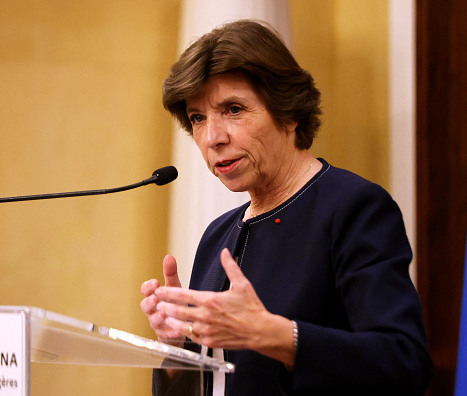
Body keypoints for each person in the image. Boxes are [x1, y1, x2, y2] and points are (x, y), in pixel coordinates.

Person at [140, 20, 433, 395]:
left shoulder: (353, 208)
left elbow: (405, 363)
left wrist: (277, 335)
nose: (213, 137)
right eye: (198, 118)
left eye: (233, 109)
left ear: (289, 113)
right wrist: (176, 349)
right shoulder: (217, 235)